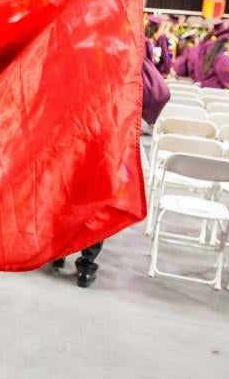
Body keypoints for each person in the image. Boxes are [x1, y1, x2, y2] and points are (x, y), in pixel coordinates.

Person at [53, 53, 170, 286]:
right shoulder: (128, 49)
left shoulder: (78, 43)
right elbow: (160, 93)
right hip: (109, 135)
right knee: (98, 197)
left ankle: (57, 252)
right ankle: (86, 265)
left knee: (67, 191)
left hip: (73, 130)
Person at [199, 25, 229, 89]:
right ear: (226, 44)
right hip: (215, 89)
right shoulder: (222, 58)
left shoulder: (216, 54)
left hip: (208, 87)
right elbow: (224, 73)